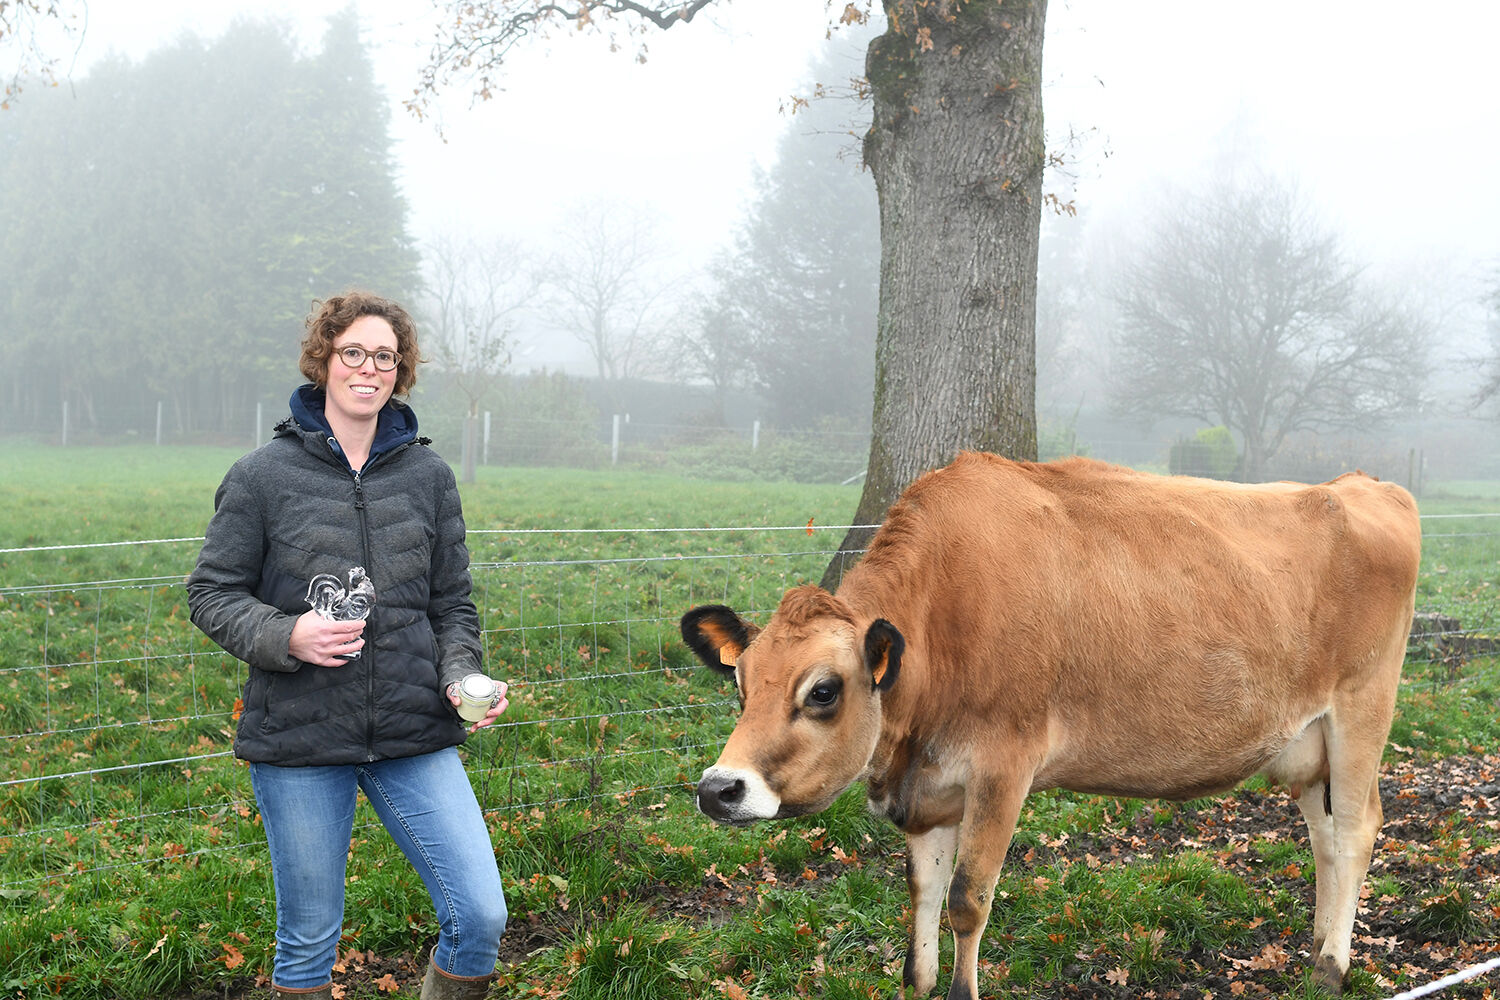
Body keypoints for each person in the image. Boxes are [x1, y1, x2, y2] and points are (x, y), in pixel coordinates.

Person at [187, 291, 508, 1000]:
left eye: (385, 356)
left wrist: (460, 676)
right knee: (307, 941)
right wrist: (285, 633)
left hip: (412, 730)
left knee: (481, 914)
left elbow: (451, 603)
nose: (369, 368)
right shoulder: (262, 476)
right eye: (353, 353)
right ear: (325, 361)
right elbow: (210, 593)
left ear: (401, 369)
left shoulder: (428, 478)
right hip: (300, 738)